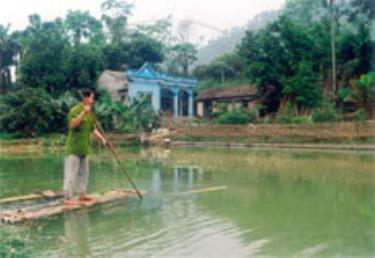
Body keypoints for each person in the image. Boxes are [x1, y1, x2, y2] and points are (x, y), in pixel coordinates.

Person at [63, 88, 108, 205]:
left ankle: (82, 195)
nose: (93, 100)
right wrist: (83, 113)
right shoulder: (75, 110)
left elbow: (92, 130)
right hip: (73, 148)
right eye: (91, 98)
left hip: (84, 149)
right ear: (86, 98)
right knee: (71, 174)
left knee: (84, 173)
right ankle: (68, 198)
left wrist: (102, 139)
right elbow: (72, 125)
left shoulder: (91, 114)